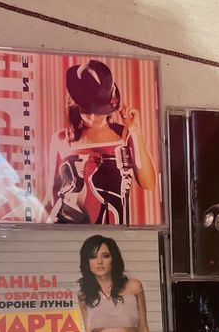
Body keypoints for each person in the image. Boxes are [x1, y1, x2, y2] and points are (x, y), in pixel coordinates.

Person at [44, 59, 156, 224]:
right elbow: (50, 197)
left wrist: (135, 129)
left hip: (111, 230)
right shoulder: (60, 139)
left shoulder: (124, 135)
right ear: (76, 103)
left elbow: (148, 183)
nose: (91, 116)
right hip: (65, 229)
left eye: (97, 110)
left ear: (109, 106)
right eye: (86, 108)